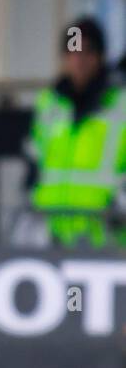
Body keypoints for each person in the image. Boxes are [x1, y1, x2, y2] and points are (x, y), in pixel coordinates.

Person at [27, 16, 126, 247]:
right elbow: (34, 162)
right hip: (53, 237)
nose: (79, 60)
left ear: (100, 57)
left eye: (87, 51)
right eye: (72, 51)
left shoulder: (119, 104)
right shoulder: (49, 104)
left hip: (105, 238)